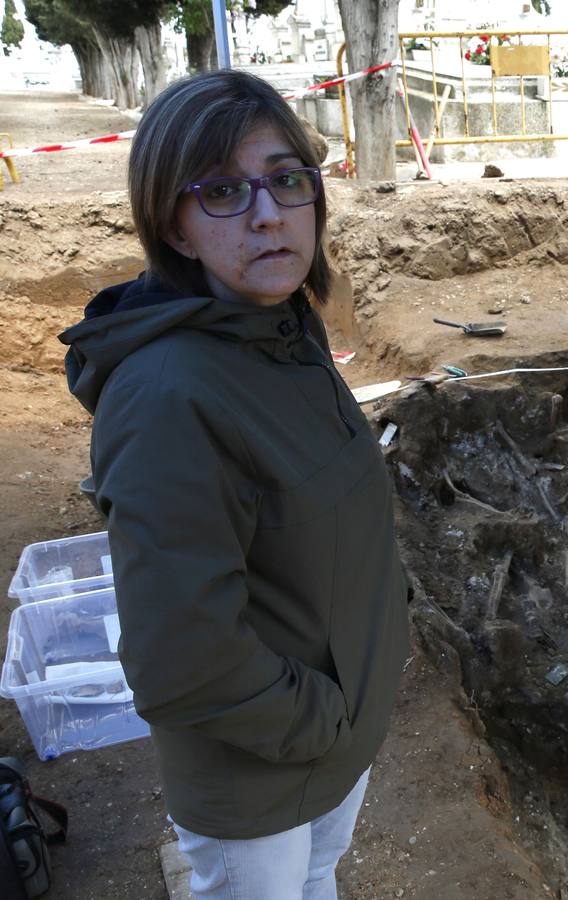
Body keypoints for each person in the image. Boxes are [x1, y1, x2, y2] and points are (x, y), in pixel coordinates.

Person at [59, 70, 409, 900]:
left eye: (287, 180)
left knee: (319, 877)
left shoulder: (283, 324)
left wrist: (355, 700)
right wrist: (323, 721)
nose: (267, 213)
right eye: (221, 191)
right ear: (173, 229)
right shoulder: (168, 396)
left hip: (332, 731)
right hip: (264, 768)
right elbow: (181, 657)